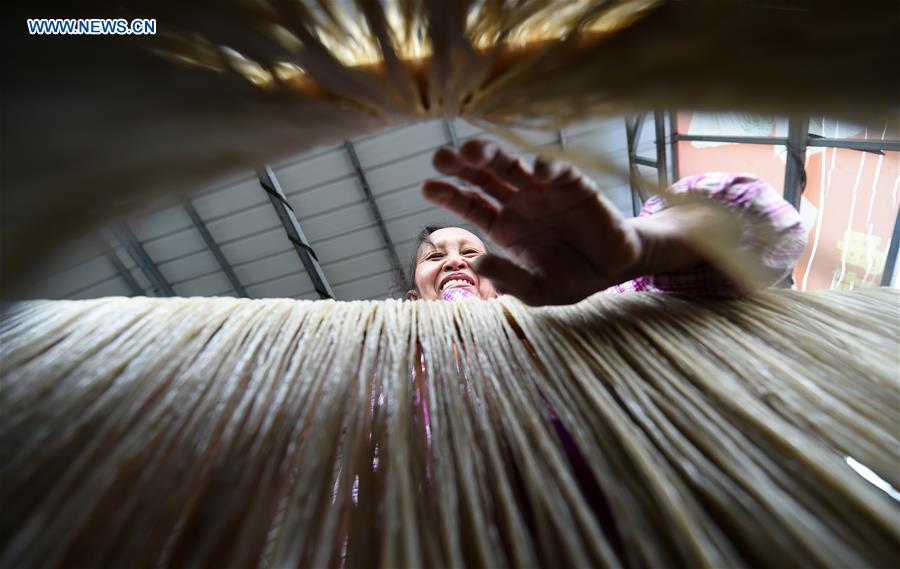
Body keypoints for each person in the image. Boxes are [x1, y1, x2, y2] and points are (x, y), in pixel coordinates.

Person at [407, 139, 807, 304]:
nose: (455, 261)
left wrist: (639, 248)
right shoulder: (383, 383)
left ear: (498, 280)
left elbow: (761, 228)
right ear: (410, 300)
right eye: (435, 257)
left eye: (471, 251)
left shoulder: (576, 310)